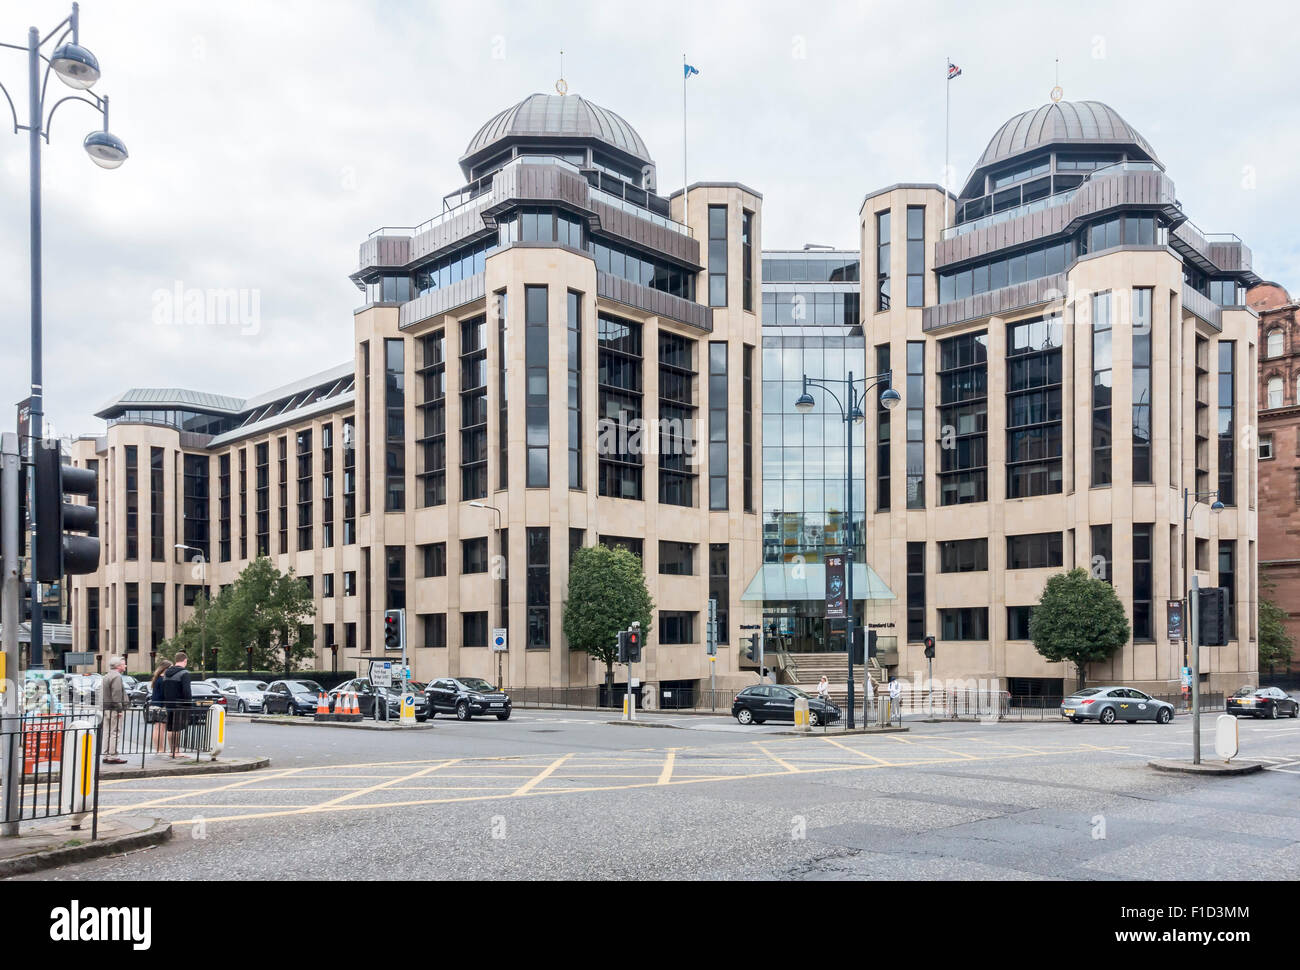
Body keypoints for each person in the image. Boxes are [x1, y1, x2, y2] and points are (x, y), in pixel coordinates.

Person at [160, 652, 193, 758]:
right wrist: (189, 704)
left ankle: (172, 750)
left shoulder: (167, 673)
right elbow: (187, 691)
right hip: (180, 705)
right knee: (177, 728)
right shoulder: (184, 673)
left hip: (169, 704)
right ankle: (177, 751)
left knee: (170, 728)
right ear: (185, 660)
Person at [101, 657, 128, 765]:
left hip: (106, 707)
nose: (125, 666)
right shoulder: (117, 677)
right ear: (118, 666)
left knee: (107, 732)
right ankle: (113, 755)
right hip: (113, 709)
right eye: (124, 664)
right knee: (115, 732)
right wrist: (119, 709)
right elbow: (116, 694)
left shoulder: (106, 676)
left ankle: (106, 755)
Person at [148, 659, 172, 754]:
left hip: (155, 705)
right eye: (170, 667)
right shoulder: (163, 680)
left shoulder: (157, 678)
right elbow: (164, 694)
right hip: (161, 706)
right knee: (160, 728)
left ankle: (158, 748)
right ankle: (160, 749)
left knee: (157, 727)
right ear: (165, 668)